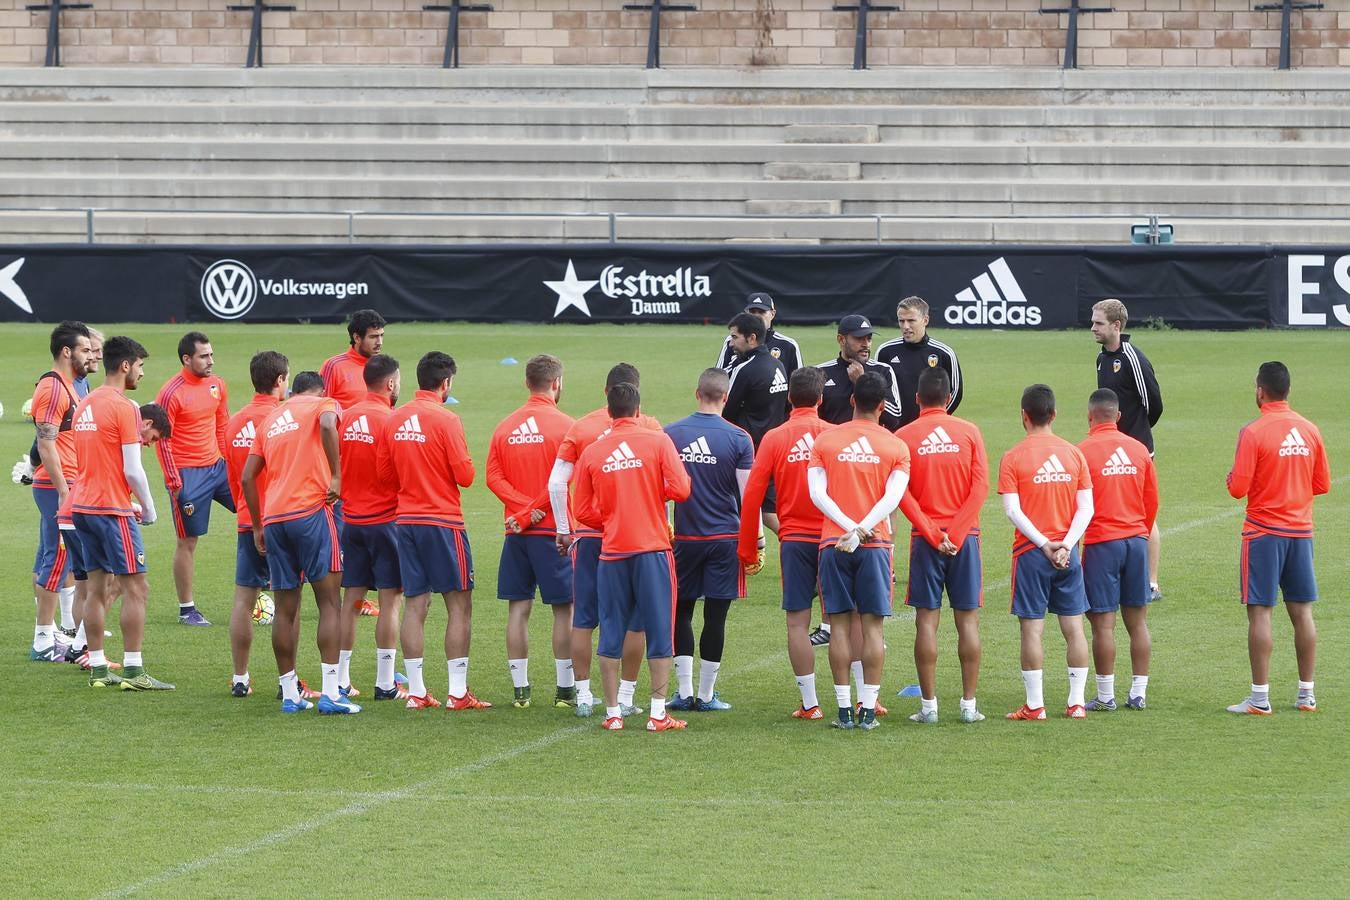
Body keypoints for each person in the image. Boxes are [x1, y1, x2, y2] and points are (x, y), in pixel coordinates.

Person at [572, 382, 692, 732]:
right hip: (653, 549)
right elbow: (682, 489)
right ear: (638, 411)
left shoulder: (593, 452)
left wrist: (611, 517)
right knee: (658, 630)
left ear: (609, 412)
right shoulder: (657, 442)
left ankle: (612, 713)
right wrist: (653, 495)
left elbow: (581, 510)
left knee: (610, 629)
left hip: (612, 553)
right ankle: (657, 713)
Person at [547, 363, 660, 718]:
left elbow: (555, 483)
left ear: (605, 392)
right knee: (636, 618)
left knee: (585, 616)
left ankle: (582, 695)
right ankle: (626, 697)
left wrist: (565, 528)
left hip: (592, 535)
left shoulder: (580, 427)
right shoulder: (651, 428)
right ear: (636, 396)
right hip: (636, 537)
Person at [242, 371, 353, 715]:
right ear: (321, 390)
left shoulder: (272, 417)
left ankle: (290, 694)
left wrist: (258, 525)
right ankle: (332, 693)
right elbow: (327, 425)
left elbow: (247, 476)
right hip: (311, 512)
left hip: (275, 518)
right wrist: (335, 474)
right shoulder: (324, 404)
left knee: (286, 609)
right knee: (330, 603)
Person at [382, 351, 487, 711]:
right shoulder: (447, 419)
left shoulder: (394, 419)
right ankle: (457, 693)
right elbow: (467, 477)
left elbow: (385, 476)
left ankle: (416, 691)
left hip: (406, 521)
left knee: (415, 604)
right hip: (443, 522)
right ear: (446, 384)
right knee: (459, 605)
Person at [1225, 362, 1330, 715]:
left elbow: (1238, 488)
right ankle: (1306, 694)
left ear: (1260, 391)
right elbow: (1322, 484)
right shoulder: (1310, 429)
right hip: (1301, 532)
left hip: (1263, 533)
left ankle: (1259, 698)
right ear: (1288, 390)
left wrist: (1234, 479)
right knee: (1302, 613)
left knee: (1261, 614)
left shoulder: (1253, 431)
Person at [808, 372, 910, 731]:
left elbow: (817, 494)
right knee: (873, 630)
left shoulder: (826, 439)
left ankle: (842, 711)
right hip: (875, 543)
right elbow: (892, 498)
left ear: (851, 401)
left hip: (833, 542)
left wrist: (847, 528)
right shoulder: (896, 446)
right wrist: (863, 528)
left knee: (838, 628)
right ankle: (868, 710)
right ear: (882, 406)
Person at [70, 336, 173, 691]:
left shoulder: (85, 403)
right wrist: (149, 507)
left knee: (96, 588)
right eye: (140, 366)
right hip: (111, 509)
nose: (142, 374)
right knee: (137, 588)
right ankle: (133, 671)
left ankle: (98, 668)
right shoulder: (125, 407)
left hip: (81, 506)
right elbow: (133, 469)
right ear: (126, 365)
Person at [738, 366, 833, 718]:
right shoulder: (835, 435)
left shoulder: (775, 438)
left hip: (794, 540)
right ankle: (864, 698)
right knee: (847, 619)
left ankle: (810, 704)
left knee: (797, 623)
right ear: (821, 399)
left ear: (789, 398)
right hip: (834, 540)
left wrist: (748, 547)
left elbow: (752, 498)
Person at [896, 367, 988, 724]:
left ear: (917, 399)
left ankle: (929, 707)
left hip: (925, 540)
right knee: (968, 623)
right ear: (949, 399)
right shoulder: (969, 432)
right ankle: (968, 706)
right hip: (966, 542)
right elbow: (979, 488)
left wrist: (933, 534)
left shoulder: (904, 436)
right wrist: (958, 533)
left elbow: (901, 494)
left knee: (926, 623)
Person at [999, 384, 1094, 720]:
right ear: (1054, 414)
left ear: (1024, 416)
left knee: (1032, 629)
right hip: (1069, 554)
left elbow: (1013, 510)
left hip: (1031, 552)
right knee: (1074, 628)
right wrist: (1066, 544)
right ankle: (1077, 703)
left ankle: (1035, 706)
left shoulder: (1013, 456)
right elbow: (1087, 508)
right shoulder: (1074, 454)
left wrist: (1044, 544)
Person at [486, 354, 576, 709]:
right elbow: (565, 482)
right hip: (555, 533)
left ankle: (520, 690)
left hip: (516, 533)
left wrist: (522, 512)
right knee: (563, 611)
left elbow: (493, 477)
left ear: (527, 383)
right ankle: (564, 691)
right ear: (556, 383)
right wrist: (535, 511)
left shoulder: (505, 426)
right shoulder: (568, 427)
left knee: (517, 609)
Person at [810, 314, 902, 647]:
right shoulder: (822, 373)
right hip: (836, 471)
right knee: (832, 537)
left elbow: (897, 414)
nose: (865, 344)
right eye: (859, 338)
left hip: (877, 468)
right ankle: (828, 620)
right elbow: (814, 419)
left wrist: (862, 381)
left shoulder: (883, 372)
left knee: (881, 524)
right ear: (841, 339)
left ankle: (883, 572)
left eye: (868, 338)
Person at [665, 368, 755, 712]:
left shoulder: (670, 434)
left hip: (683, 538)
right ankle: (706, 695)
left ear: (696, 392)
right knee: (716, 617)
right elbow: (748, 497)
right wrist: (755, 541)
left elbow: (663, 491)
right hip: (725, 539)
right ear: (726, 398)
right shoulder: (739, 438)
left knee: (681, 612)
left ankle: (683, 692)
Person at [1076, 388, 1160, 712]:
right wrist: (1138, 529)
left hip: (1101, 544)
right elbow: (1152, 501)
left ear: (1089, 416)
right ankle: (1139, 693)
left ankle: (1106, 695)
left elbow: (1076, 505)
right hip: (1137, 541)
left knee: (1103, 624)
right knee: (1138, 623)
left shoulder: (1081, 452)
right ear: (1119, 417)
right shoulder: (1138, 450)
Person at [334, 353, 406, 702]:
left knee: (352, 599)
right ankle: (385, 682)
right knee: (391, 601)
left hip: (352, 519)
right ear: (391, 383)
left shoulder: (345, 417)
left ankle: (342, 680)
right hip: (386, 520)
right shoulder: (390, 420)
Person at [155, 330, 233, 627]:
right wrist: (174, 482)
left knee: (257, 513)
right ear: (187, 359)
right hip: (187, 475)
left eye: (211, 354)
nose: (211, 360)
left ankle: (262, 584)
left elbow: (222, 424)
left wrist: (231, 465)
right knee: (188, 541)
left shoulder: (217, 385)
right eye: (204, 356)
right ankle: (187, 609)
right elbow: (162, 441)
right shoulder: (171, 392)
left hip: (218, 468)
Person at [222, 350, 287, 698]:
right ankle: (286, 681)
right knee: (286, 602)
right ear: (279, 380)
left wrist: (247, 512)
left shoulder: (234, 422)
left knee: (243, 601)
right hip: (279, 519)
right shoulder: (282, 419)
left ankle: (240, 678)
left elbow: (235, 477)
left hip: (248, 520)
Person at [28, 321, 93, 662]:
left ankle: (50, 632)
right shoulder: (54, 388)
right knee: (58, 558)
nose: (89, 355)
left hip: (64, 482)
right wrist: (64, 490)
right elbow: (45, 443)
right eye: (84, 349)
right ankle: (42, 641)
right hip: (57, 485)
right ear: (67, 352)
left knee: (52, 556)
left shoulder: (68, 385)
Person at [1091, 298, 1164, 601]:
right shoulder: (1101, 359)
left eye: (1098, 323)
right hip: (1107, 447)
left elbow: (1154, 403)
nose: (1092, 327)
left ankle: (1151, 582)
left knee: (1144, 511)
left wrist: (1136, 438)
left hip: (1135, 450)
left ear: (1116, 326)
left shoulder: (1133, 358)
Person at [876, 296, 964, 428]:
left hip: (929, 429)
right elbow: (878, 391)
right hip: (893, 430)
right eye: (901, 321)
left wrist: (935, 420)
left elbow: (956, 392)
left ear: (925, 320)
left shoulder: (944, 353)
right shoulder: (885, 352)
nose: (905, 326)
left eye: (911, 321)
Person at [715, 292, 802, 377]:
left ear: (772, 314)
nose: (756, 316)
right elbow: (718, 377)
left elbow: (799, 383)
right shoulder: (733, 340)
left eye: (761, 312)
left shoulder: (788, 345)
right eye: (752, 312)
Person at [321, 309, 387, 411]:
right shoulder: (333, 366)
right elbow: (320, 408)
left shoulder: (384, 367)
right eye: (373, 337)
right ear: (357, 338)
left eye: (381, 335)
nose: (380, 342)